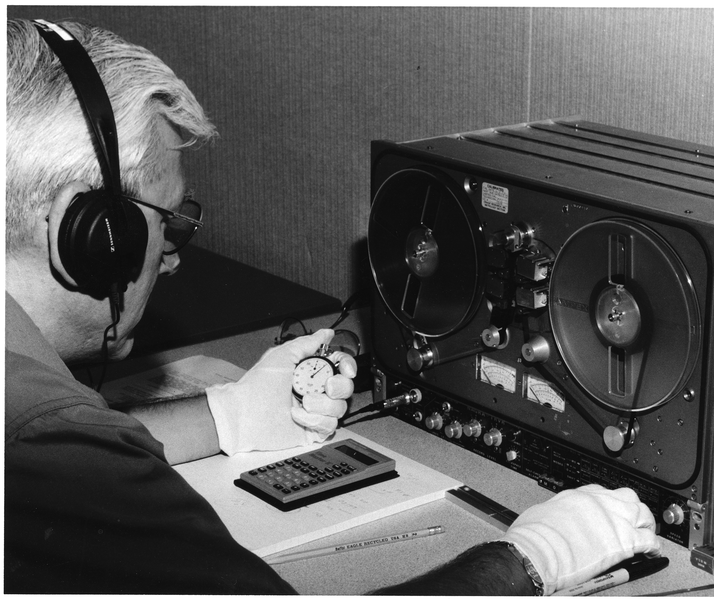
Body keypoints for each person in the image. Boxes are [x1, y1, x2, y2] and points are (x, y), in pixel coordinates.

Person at [5, 17, 661, 595]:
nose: (173, 259)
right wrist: (529, 559)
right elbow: (58, 450)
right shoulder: (50, 441)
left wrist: (228, 415)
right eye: (166, 222)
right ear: (90, 235)